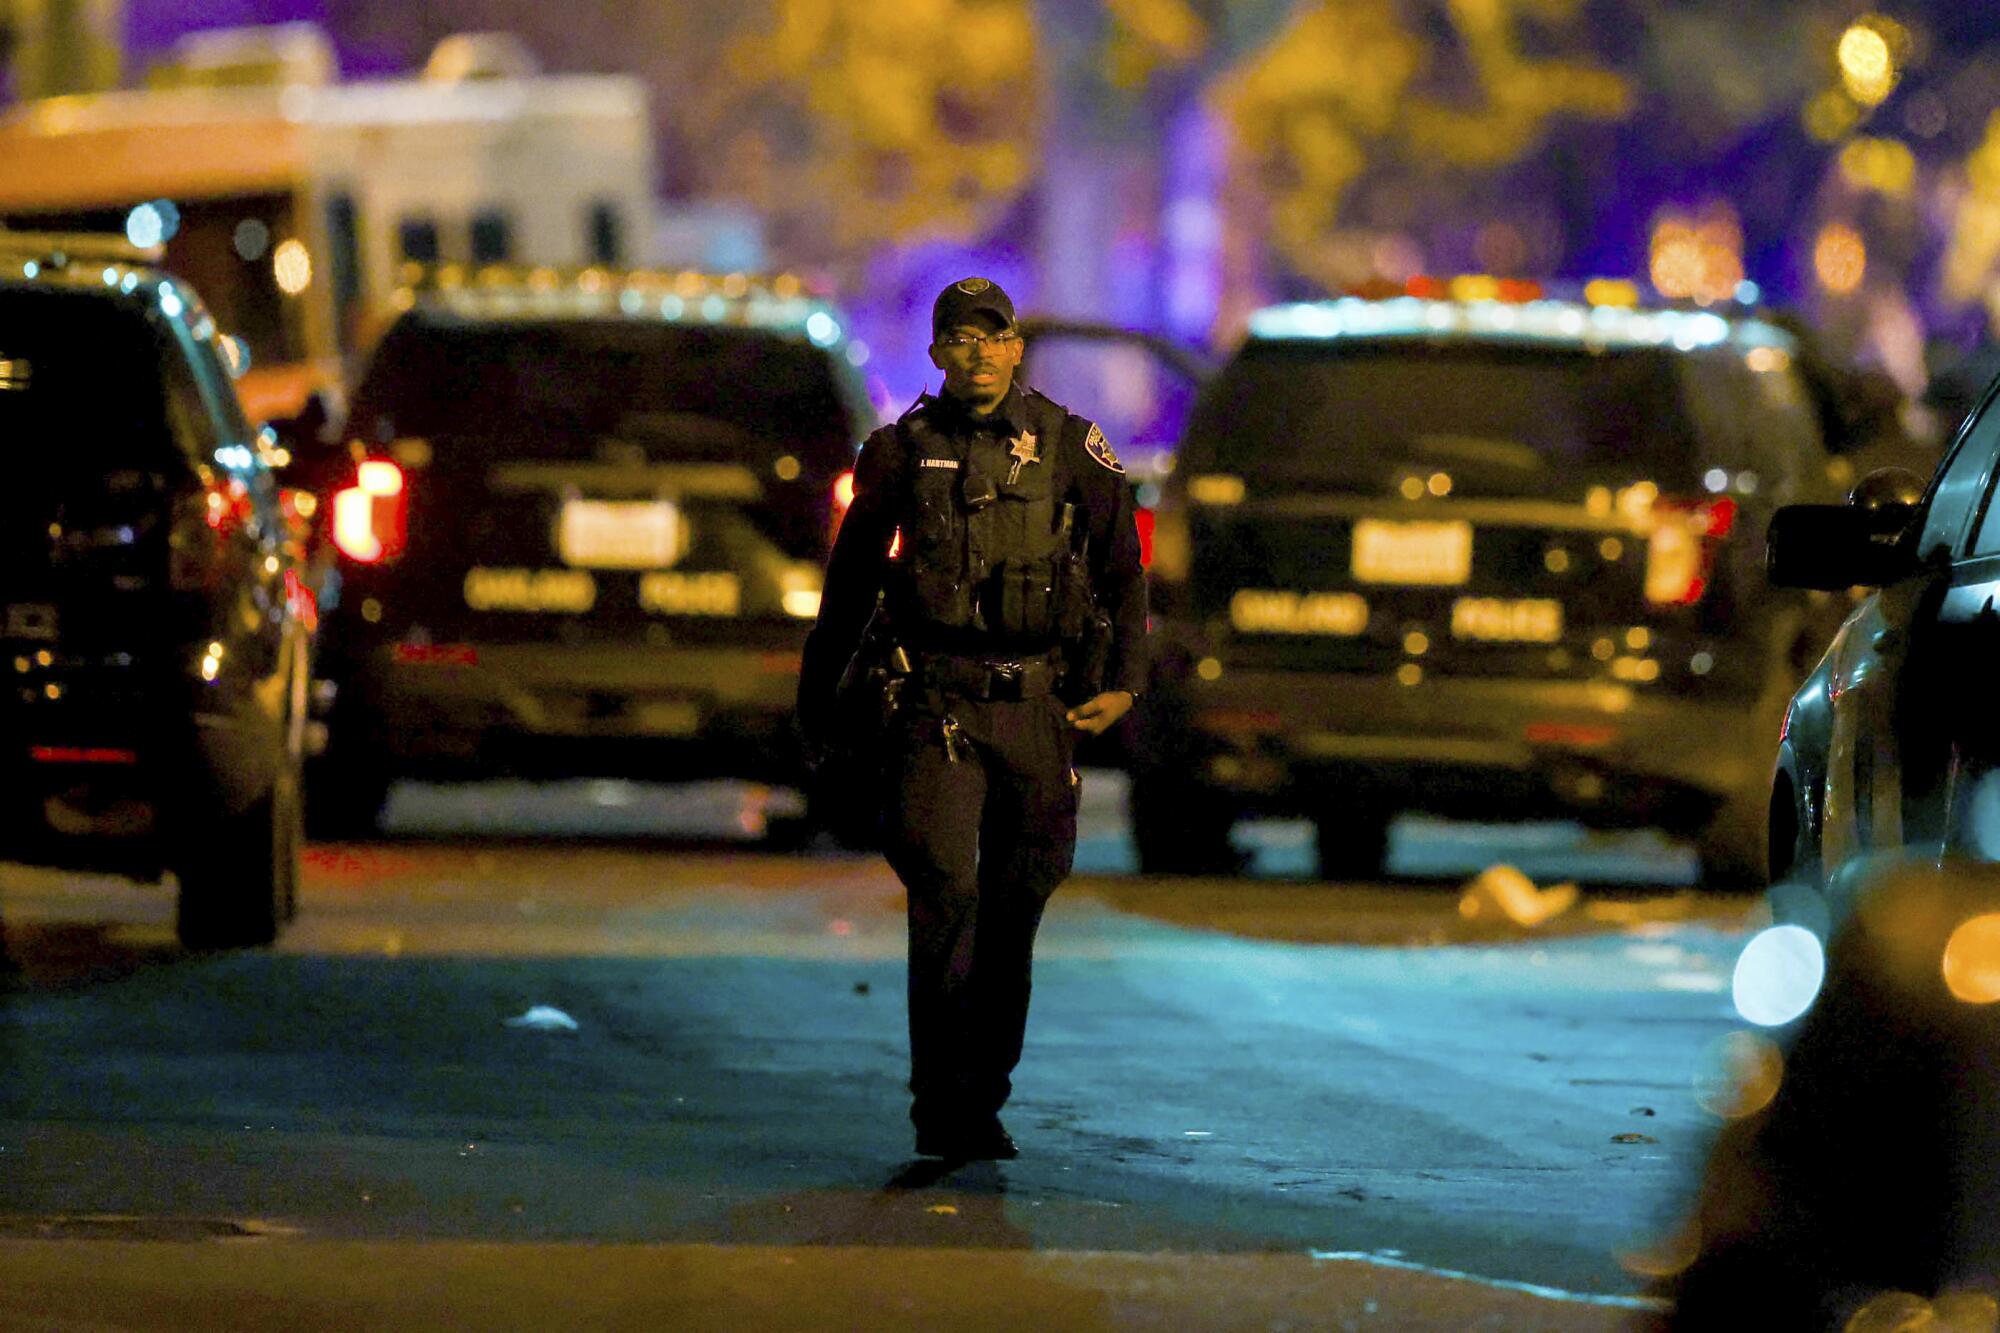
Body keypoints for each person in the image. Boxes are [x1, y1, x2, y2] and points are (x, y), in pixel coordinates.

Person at [798, 276, 1149, 1161]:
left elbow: (1122, 568)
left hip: (1037, 707)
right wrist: (818, 702)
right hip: (936, 706)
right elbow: (848, 585)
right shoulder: (900, 450)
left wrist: (1128, 681)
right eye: (959, 338)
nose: (977, 353)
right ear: (936, 353)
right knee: (945, 893)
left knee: (1015, 905)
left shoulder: (1072, 445)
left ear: (1018, 347)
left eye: (993, 337)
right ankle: (942, 1104)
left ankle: (983, 1091)